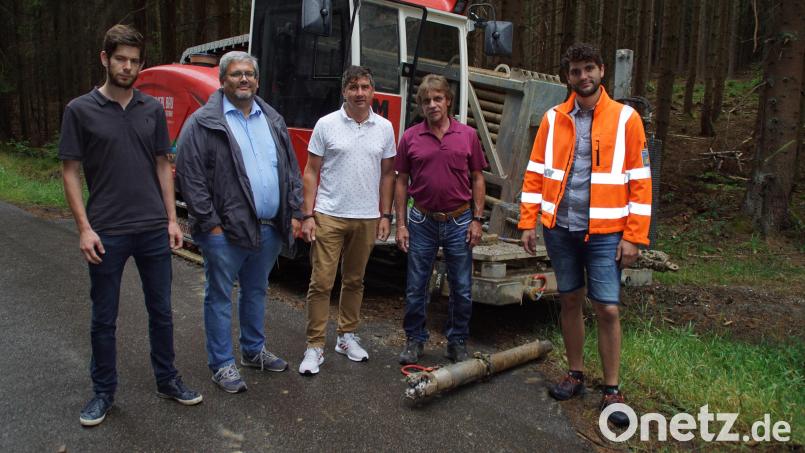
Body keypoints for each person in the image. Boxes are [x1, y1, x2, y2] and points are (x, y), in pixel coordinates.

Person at [60, 24, 202, 427]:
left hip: (153, 228)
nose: (127, 67)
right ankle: (103, 392)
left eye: (134, 61)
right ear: (105, 59)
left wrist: (172, 219)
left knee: (162, 311)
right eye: (120, 59)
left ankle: (167, 379)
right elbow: (69, 171)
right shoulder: (80, 110)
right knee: (104, 317)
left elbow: (163, 164)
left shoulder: (151, 109)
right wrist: (84, 228)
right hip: (106, 231)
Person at [518, 43, 652, 427]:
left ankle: (612, 389)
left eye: (589, 68)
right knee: (570, 300)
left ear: (601, 71)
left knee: (607, 308)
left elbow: (641, 181)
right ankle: (575, 374)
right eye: (576, 71)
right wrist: (528, 221)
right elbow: (535, 172)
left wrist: (634, 236)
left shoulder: (626, 119)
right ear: (568, 77)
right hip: (560, 228)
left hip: (607, 233)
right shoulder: (553, 118)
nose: (583, 76)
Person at [175, 51, 303, 393]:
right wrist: (211, 225)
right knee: (219, 295)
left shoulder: (272, 119)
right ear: (222, 80)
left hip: (269, 227)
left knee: (256, 290)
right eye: (235, 74)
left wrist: (294, 212)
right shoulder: (203, 122)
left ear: (257, 81)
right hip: (224, 232)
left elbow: (290, 169)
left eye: (249, 73)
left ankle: (252, 350)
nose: (244, 79)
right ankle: (221, 364)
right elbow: (190, 176)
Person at [297, 66, 396, 375]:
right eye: (353, 87)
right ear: (344, 91)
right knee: (321, 282)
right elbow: (311, 171)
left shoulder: (385, 128)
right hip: (329, 214)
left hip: (366, 217)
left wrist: (386, 214)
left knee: (354, 281)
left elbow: (388, 174)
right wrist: (307, 214)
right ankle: (315, 346)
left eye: (365, 87)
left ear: (373, 91)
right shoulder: (326, 124)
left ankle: (346, 336)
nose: (359, 93)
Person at [394, 74, 487, 365]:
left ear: (448, 101)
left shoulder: (467, 135)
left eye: (437, 99)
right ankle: (415, 340)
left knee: (461, 286)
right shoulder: (411, 137)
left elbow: (477, 177)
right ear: (421, 105)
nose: (432, 105)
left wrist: (477, 219)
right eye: (426, 101)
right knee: (416, 285)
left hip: (460, 220)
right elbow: (401, 181)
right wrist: (401, 224)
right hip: (421, 220)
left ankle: (457, 341)